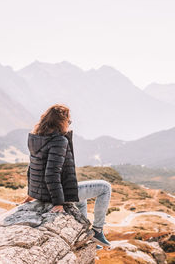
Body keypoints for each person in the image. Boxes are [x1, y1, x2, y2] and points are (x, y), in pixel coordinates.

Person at [22, 104, 111, 248]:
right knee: (105, 187)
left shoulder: (36, 137)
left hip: (41, 193)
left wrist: (31, 194)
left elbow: (33, 167)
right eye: (68, 121)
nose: (69, 125)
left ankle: (85, 234)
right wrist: (58, 203)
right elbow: (51, 173)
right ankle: (98, 230)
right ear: (61, 122)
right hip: (52, 196)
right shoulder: (58, 140)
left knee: (80, 200)